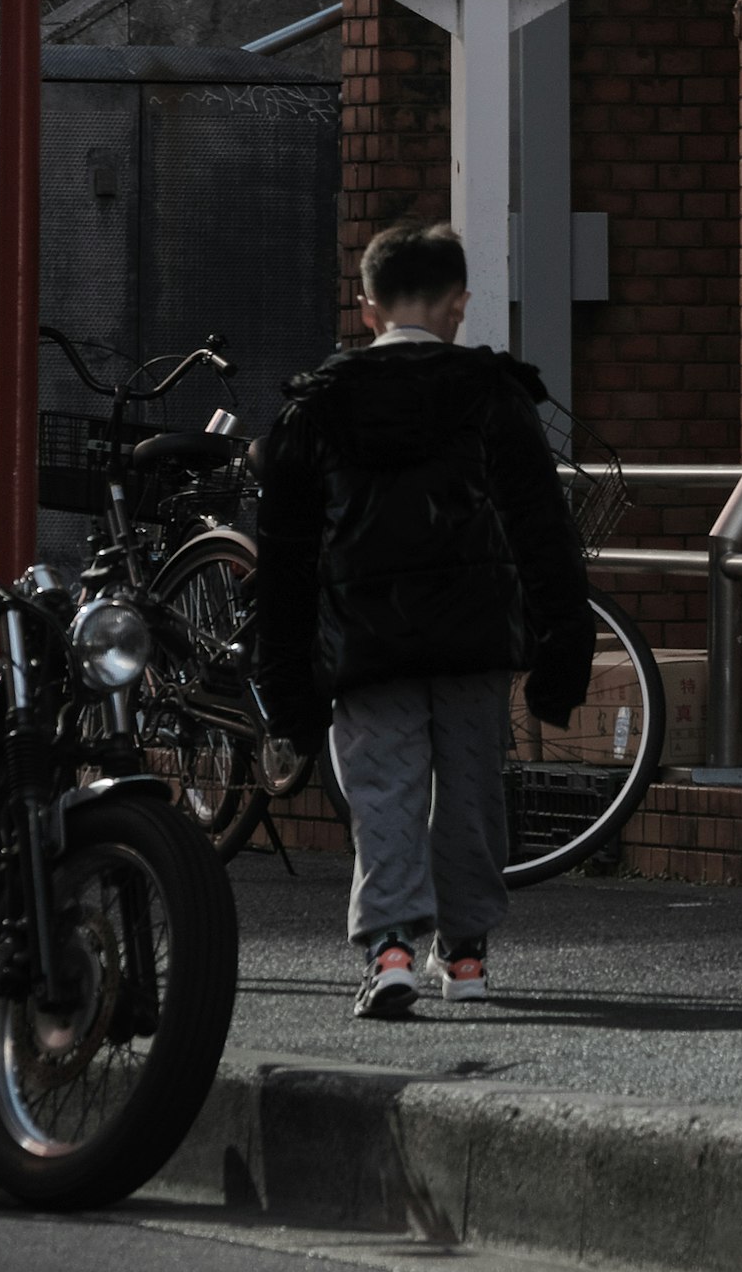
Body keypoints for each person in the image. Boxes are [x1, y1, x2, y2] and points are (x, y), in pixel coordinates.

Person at [254, 221, 595, 1019]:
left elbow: (285, 557)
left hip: (363, 638)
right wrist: (562, 646)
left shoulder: (318, 406)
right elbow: (544, 530)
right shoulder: (491, 395)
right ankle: (468, 953)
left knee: (383, 795)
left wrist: (284, 683)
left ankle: (392, 948)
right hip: (474, 634)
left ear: (366, 308)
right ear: (459, 304)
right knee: (471, 793)